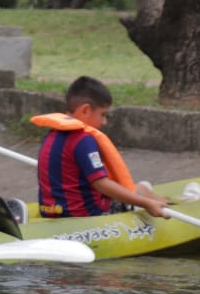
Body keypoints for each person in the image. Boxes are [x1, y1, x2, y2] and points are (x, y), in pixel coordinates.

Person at [33, 75, 168, 218]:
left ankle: (153, 198)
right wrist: (146, 203)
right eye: (102, 114)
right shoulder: (83, 139)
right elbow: (101, 184)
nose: (104, 122)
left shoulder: (52, 134)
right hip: (87, 214)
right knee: (141, 189)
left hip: (52, 212)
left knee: (135, 189)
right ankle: (164, 205)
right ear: (85, 110)